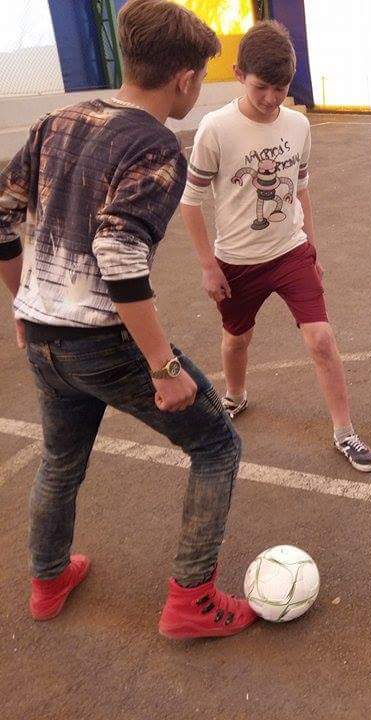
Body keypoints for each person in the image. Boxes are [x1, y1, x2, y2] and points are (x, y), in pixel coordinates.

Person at [0, 0, 257, 639]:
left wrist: (27, 300)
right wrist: (164, 368)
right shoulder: (156, 147)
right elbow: (117, 253)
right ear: (185, 78)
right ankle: (192, 599)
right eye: (201, 75)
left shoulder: (57, 120)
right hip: (102, 342)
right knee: (217, 445)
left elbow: (1, 217)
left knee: (61, 459)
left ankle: (47, 579)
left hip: (45, 338)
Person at [180, 21, 371, 471]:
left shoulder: (298, 125)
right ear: (239, 74)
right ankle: (235, 395)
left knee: (321, 339)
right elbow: (190, 201)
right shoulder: (215, 128)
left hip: (290, 251)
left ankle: (344, 432)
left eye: (281, 87)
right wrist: (209, 265)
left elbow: (301, 188)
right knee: (237, 339)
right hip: (236, 260)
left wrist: (312, 249)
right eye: (261, 87)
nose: (271, 98)